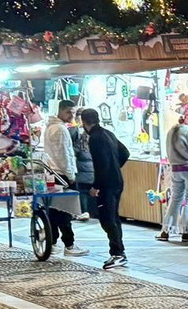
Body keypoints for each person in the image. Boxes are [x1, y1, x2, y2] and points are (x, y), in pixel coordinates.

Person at [80, 107, 131, 269]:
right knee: (113, 217)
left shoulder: (95, 138)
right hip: (117, 181)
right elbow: (125, 153)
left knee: (107, 218)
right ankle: (118, 251)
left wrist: (96, 186)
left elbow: (101, 164)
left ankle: (118, 253)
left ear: (84, 122)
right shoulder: (109, 133)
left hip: (106, 183)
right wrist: (116, 166)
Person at [40, 101, 87, 258]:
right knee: (65, 210)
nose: (71, 116)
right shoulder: (59, 129)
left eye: (73, 112)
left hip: (53, 173)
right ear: (60, 111)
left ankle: (53, 242)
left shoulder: (51, 128)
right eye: (68, 112)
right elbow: (63, 155)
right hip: (61, 174)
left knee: (54, 210)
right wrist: (71, 175)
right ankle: (69, 244)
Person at [157, 99, 188, 243]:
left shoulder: (171, 130)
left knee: (175, 198)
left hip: (175, 168)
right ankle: (186, 231)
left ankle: (165, 230)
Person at [71, 119, 96, 222]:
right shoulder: (95, 143)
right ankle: (92, 212)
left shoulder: (80, 144)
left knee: (82, 192)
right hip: (94, 173)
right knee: (90, 192)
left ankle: (84, 211)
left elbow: (73, 153)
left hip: (82, 173)